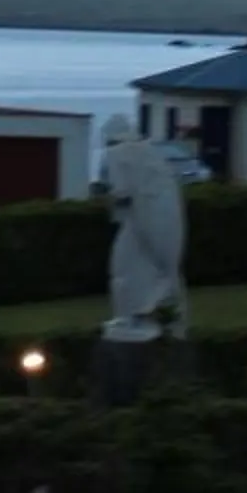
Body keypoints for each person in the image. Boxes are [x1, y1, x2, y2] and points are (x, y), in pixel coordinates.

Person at [99, 113, 187, 342]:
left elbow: (121, 193)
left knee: (121, 268)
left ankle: (130, 316)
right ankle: (155, 314)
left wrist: (107, 199)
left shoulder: (115, 154)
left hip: (138, 221)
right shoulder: (152, 153)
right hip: (151, 220)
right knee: (150, 269)